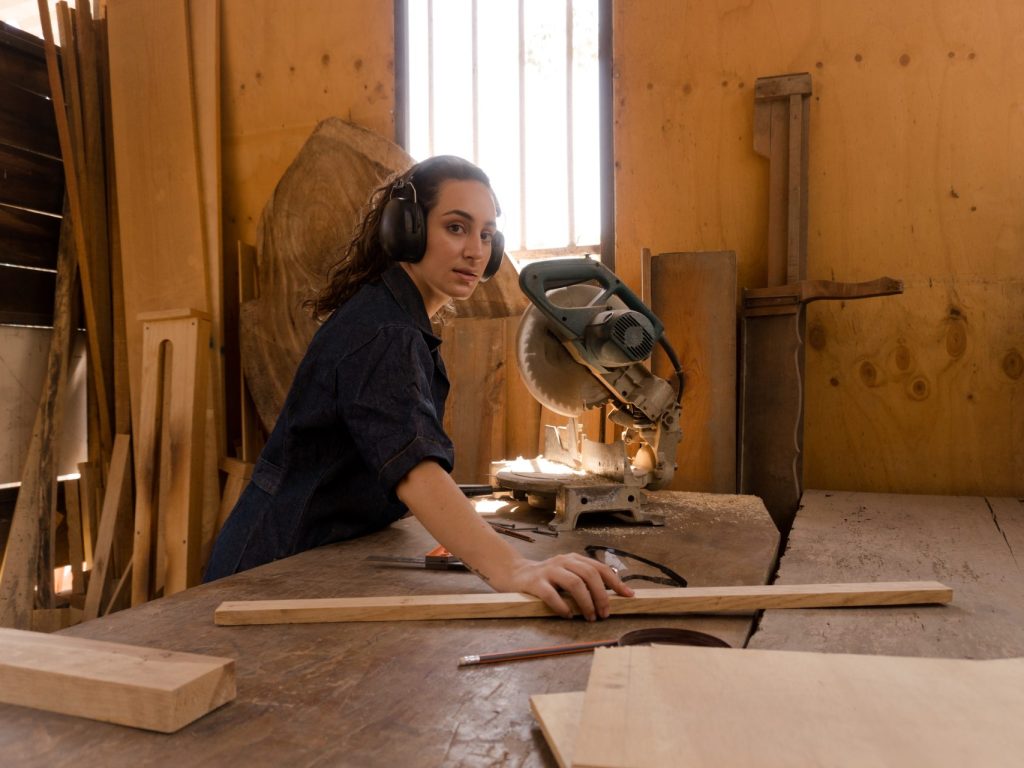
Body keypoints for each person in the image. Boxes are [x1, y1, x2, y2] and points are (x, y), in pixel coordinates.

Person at [204, 154, 632, 620]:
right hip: (272, 567)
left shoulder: (396, 318)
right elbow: (413, 470)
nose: (476, 250)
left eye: (487, 234)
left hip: (311, 556)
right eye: (456, 227)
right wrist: (513, 568)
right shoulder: (385, 332)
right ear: (405, 228)